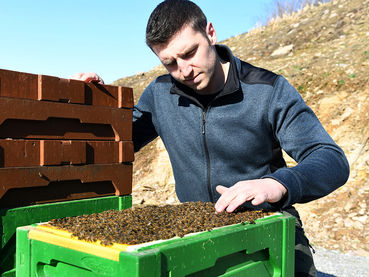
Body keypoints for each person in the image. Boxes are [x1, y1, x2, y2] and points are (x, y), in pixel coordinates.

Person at [72, 0, 349, 275]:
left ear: (211, 33)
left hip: (268, 223)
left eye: (190, 52)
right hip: (194, 232)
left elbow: (330, 158)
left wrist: (275, 184)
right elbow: (115, 144)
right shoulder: (159, 94)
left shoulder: (268, 90)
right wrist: (97, 103)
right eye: (169, 63)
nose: (184, 71)